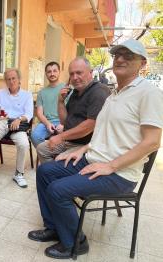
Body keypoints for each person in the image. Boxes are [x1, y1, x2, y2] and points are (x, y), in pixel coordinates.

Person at [28, 39, 163, 259]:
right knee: (45, 172)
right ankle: (54, 227)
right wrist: (84, 149)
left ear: (143, 63)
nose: (120, 58)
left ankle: (76, 243)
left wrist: (111, 165)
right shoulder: (114, 94)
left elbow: (152, 142)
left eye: (128, 55)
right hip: (93, 160)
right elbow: (104, 132)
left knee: (58, 189)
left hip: (120, 174)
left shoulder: (148, 93)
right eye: (117, 54)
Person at [36, 57, 110, 164]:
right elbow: (64, 121)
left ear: (90, 72)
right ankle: (53, 174)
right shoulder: (76, 92)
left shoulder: (99, 91)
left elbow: (90, 125)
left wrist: (60, 137)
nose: (75, 77)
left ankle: (54, 173)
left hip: (86, 145)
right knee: (41, 149)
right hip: (70, 140)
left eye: (79, 73)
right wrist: (60, 101)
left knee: (58, 161)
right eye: (71, 74)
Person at [31, 61, 65, 147]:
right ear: (46, 74)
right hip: (47, 122)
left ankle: (55, 156)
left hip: (63, 122)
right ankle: (47, 157)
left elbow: (72, 108)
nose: (52, 74)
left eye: (54, 71)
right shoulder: (42, 92)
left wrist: (64, 124)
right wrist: (47, 124)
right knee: (35, 136)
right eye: (49, 71)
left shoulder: (66, 88)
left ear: (59, 72)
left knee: (68, 139)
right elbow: (39, 113)